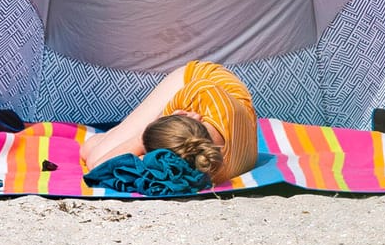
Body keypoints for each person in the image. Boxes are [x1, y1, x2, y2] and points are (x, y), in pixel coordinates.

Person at [79, 61, 258, 185]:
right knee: (94, 150)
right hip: (198, 80)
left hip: (216, 113)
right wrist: (159, 122)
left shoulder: (205, 168)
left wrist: (140, 140)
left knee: (90, 151)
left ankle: (116, 133)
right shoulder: (200, 93)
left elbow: (97, 166)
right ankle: (117, 133)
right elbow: (100, 167)